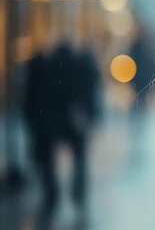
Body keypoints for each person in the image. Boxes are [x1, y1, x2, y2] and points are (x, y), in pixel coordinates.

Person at [23, 42, 100, 215]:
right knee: (79, 155)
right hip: (73, 117)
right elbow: (90, 90)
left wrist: (32, 119)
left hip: (50, 118)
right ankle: (78, 188)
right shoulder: (79, 66)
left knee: (48, 158)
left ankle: (52, 192)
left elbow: (33, 96)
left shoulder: (45, 67)